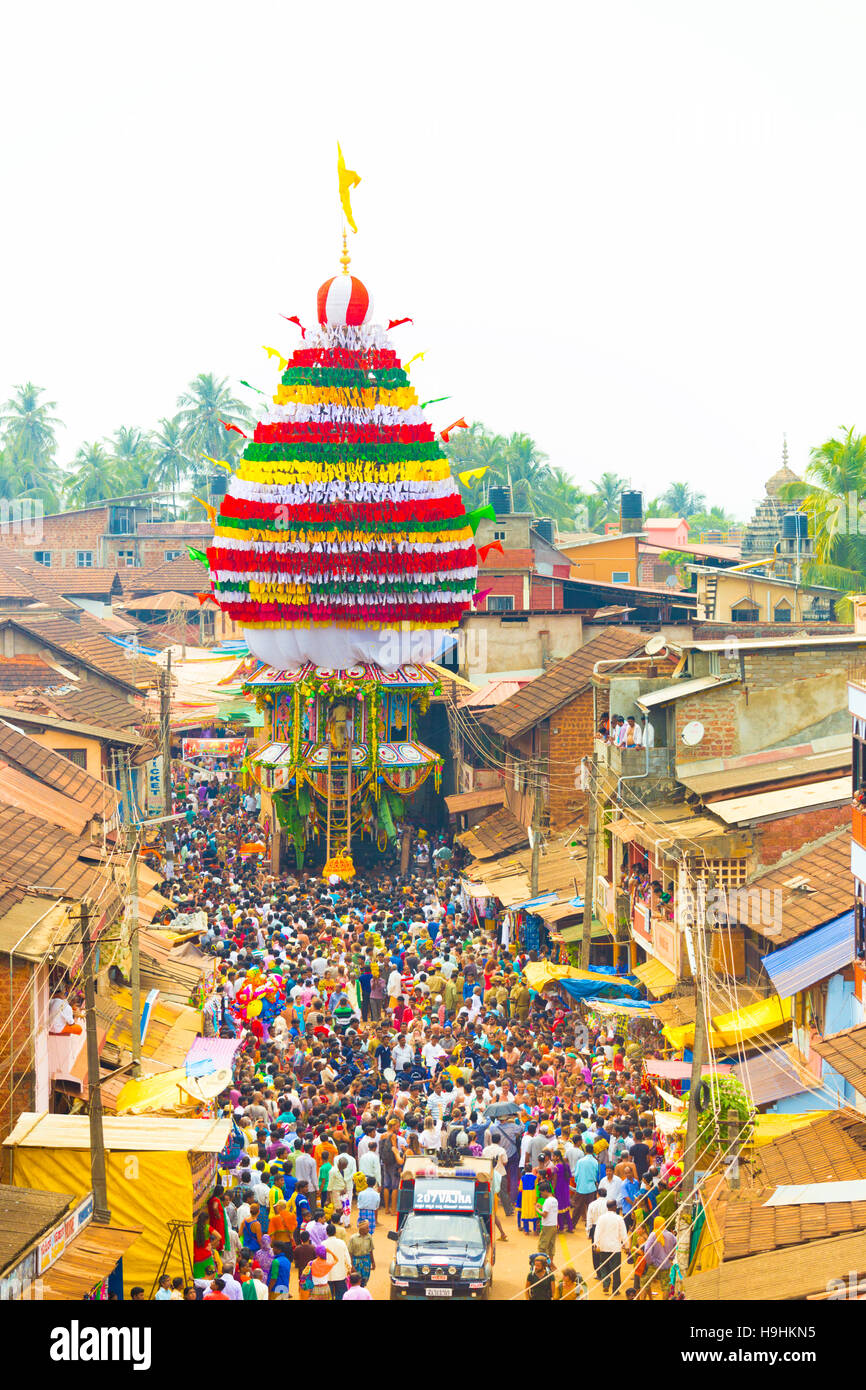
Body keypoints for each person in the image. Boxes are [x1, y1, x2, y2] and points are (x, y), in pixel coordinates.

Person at [593, 1198, 629, 1296]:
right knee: (616, 1269)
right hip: (615, 1248)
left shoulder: (601, 1218)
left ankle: (606, 1283)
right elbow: (623, 1233)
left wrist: (596, 1244)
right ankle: (615, 1290)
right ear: (615, 1207)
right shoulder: (619, 1218)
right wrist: (627, 1245)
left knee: (604, 1266)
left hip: (604, 1247)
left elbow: (597, 1232)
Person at [347, 1219, 374, 1285]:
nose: (368, 1229)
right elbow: (350, 1252)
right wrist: (352, 1265)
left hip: (366, 1262)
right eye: (367, 1228)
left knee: (364, 1280)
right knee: (356, 1280)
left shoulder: (369, 1237)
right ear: (361, 1229)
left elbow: (371, 1251)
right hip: (356, 1262)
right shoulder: (353, 1238)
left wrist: (373, 1262)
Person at [537, 1183, 559, 1260]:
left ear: (545, 1191)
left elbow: (544, 1214)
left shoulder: (547, 1201)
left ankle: (544, 1264)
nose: (541, 1194)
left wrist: (537, 1209)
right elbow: (550, 1210)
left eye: (541, 1192)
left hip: (547, 1226)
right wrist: (542, 1207)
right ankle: (550, 1263)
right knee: (551, 1246)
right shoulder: (554, 1200)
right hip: (553, 1224)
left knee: (542, 1246)